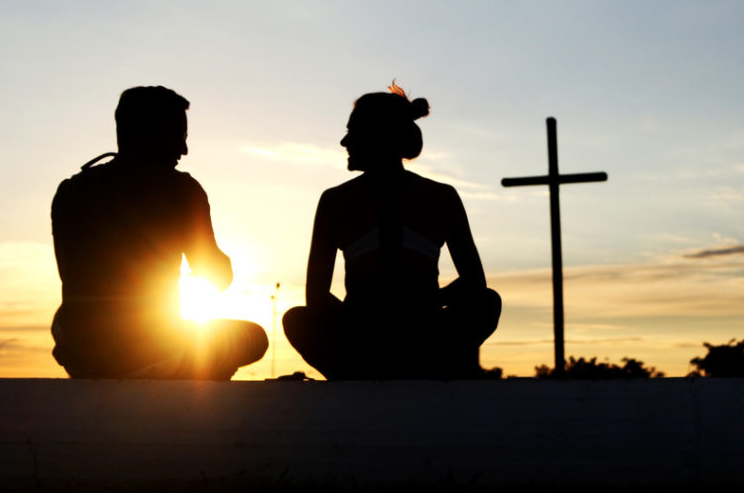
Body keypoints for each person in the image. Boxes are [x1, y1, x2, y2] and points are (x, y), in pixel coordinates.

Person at [283, 84, 501, 379]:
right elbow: (315, 296)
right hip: (366, 337)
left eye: (353, 131)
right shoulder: (335, 200)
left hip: (416, 335)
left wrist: (422, 307)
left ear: (378, 135)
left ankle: (367, 374)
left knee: (487, 302)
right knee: (297, 319)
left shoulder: (440, 197)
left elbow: (475, 284)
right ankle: (413, 371)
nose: (344, 141)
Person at [50, 86, 267, 379]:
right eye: (178, 137)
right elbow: (215, 276)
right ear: (145, 132)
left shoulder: (71, 189)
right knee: (253, 337)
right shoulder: (181, 190)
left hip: (78, 349)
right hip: (148, 348)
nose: (184, 150)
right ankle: (179, 380)